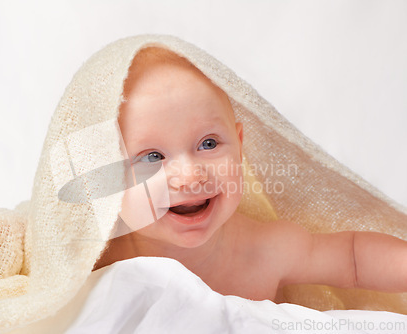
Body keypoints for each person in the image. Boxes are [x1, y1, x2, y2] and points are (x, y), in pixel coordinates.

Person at [93, 46, 407, 303]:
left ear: (239, 146)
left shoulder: (263, 252)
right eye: (152, 157)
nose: (189, 176)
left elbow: (352, 261)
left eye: (209, 143)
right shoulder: (98, 263)